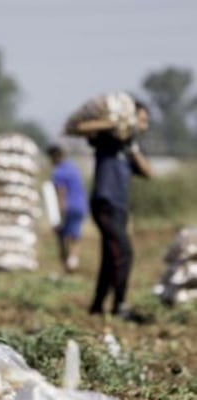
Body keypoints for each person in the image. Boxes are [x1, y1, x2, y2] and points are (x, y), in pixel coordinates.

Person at [75, 100, 153, 321]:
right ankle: (119, 306)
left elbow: (149, 173)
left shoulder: (130, 147)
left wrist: (133, 147)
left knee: (112, 256)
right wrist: (116, 122)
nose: (145, 125)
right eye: (142, 119)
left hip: (119, 208)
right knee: (124, 252)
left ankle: (97, 306)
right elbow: (81, 128)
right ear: (131, 116)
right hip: (104, 203)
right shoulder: (108, 139)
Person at [46, 144, 88, 273]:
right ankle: (73, 260)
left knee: (61, 236)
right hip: (80, 206)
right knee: (75, 235)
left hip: (67, 207)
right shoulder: (73, 168)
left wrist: (59, 214)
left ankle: (67, 264)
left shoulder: (58, 172)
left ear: (54, 157)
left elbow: (61, 192)